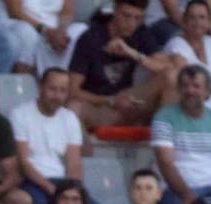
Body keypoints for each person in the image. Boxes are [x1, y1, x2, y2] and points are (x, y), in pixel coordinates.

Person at [67, 0, 170, 130]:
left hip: (129, 101)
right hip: (100, 105)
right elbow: (72, 91)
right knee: (74, 107)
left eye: (138, 18)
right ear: (115, 10)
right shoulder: (90, 38)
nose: (132, 24)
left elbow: (167, 68)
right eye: (126, 16)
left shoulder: (140, 32)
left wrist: (132, 53)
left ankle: (163, 136)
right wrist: (110, 100)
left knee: (171, 76)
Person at [152, 65, 211, 204]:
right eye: (185, 86)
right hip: (175, 191)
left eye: (196, 86)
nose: (190, 91)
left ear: (208, 92)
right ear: (178, 90)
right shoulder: (164, 118)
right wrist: (187, 196)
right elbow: (165, 163)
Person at [12, 67, 85, 204]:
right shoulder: (20, 114)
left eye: (62, 90)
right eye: (52, 89)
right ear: (40, 87)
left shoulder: (69, 118)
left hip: (63, 183)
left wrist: (70, 192)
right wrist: (52, 190)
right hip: (33, 182)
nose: (57, 95)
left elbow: (74, 163)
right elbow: (24, 163)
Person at [0, 0, 86, 76]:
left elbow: (67, 11)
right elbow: (15, 12)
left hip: (53, 28)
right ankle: (23, 83)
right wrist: (45, 31)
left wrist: (61, 31)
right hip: (17, 22)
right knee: (26, 33)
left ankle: (62, 85)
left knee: (81, 31)